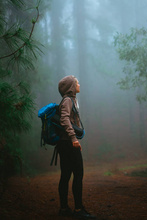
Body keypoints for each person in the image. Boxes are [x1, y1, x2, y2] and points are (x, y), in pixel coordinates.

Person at [57, 75, 96, 219]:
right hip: (68, 142)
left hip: (63, 143)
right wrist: (74, 138)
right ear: (71, 87)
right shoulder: (68, 100)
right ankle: (79, 210)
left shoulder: (71, 100)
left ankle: (64, 209)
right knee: (78, 174)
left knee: (66, 175)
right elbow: (64, 118)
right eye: (77, 83)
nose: (79, 84)